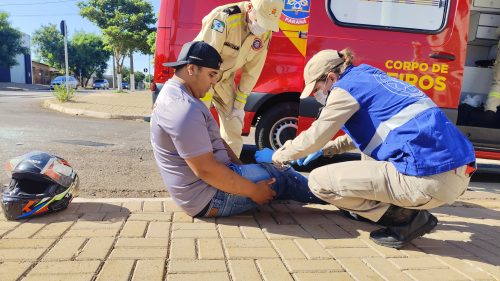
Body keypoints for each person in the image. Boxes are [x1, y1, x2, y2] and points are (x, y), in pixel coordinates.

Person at [255, 48, 476, 249]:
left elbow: (315, 135)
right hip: (454, 172)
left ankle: (407, 219)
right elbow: (378, 132)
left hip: (430, 179)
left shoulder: (344, 89)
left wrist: (277, 155)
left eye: (317, 89)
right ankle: (394, 209)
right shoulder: (370, 79)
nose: (317, 96)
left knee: (319, 182)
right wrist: (327, 150)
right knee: (366, 154)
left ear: (331, 78)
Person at [150, 41, 324, 218]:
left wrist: (243, 169)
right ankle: (334, 197)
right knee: (281, 173)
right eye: (211, 75)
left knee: (271, 172)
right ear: (192, 69)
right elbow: (206, 170)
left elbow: (216, 142)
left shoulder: (177, 95)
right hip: (210, 198)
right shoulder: (183, 107)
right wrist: (254, 191)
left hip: (206, 189)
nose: (214, 82)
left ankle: (312, 193)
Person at [194, 0, 285, 157]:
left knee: (234, 127)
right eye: (260, 21)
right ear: (250, 7)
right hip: (200, 77)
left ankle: (228, 169)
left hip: (224, 80)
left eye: (267, 24)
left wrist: (239, 105)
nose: (261, 28)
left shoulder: (265, 31)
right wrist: (204, 100)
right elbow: (205, 59)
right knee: (196, 126)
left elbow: (252, 71)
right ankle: (193, 171)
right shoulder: (224, 17)